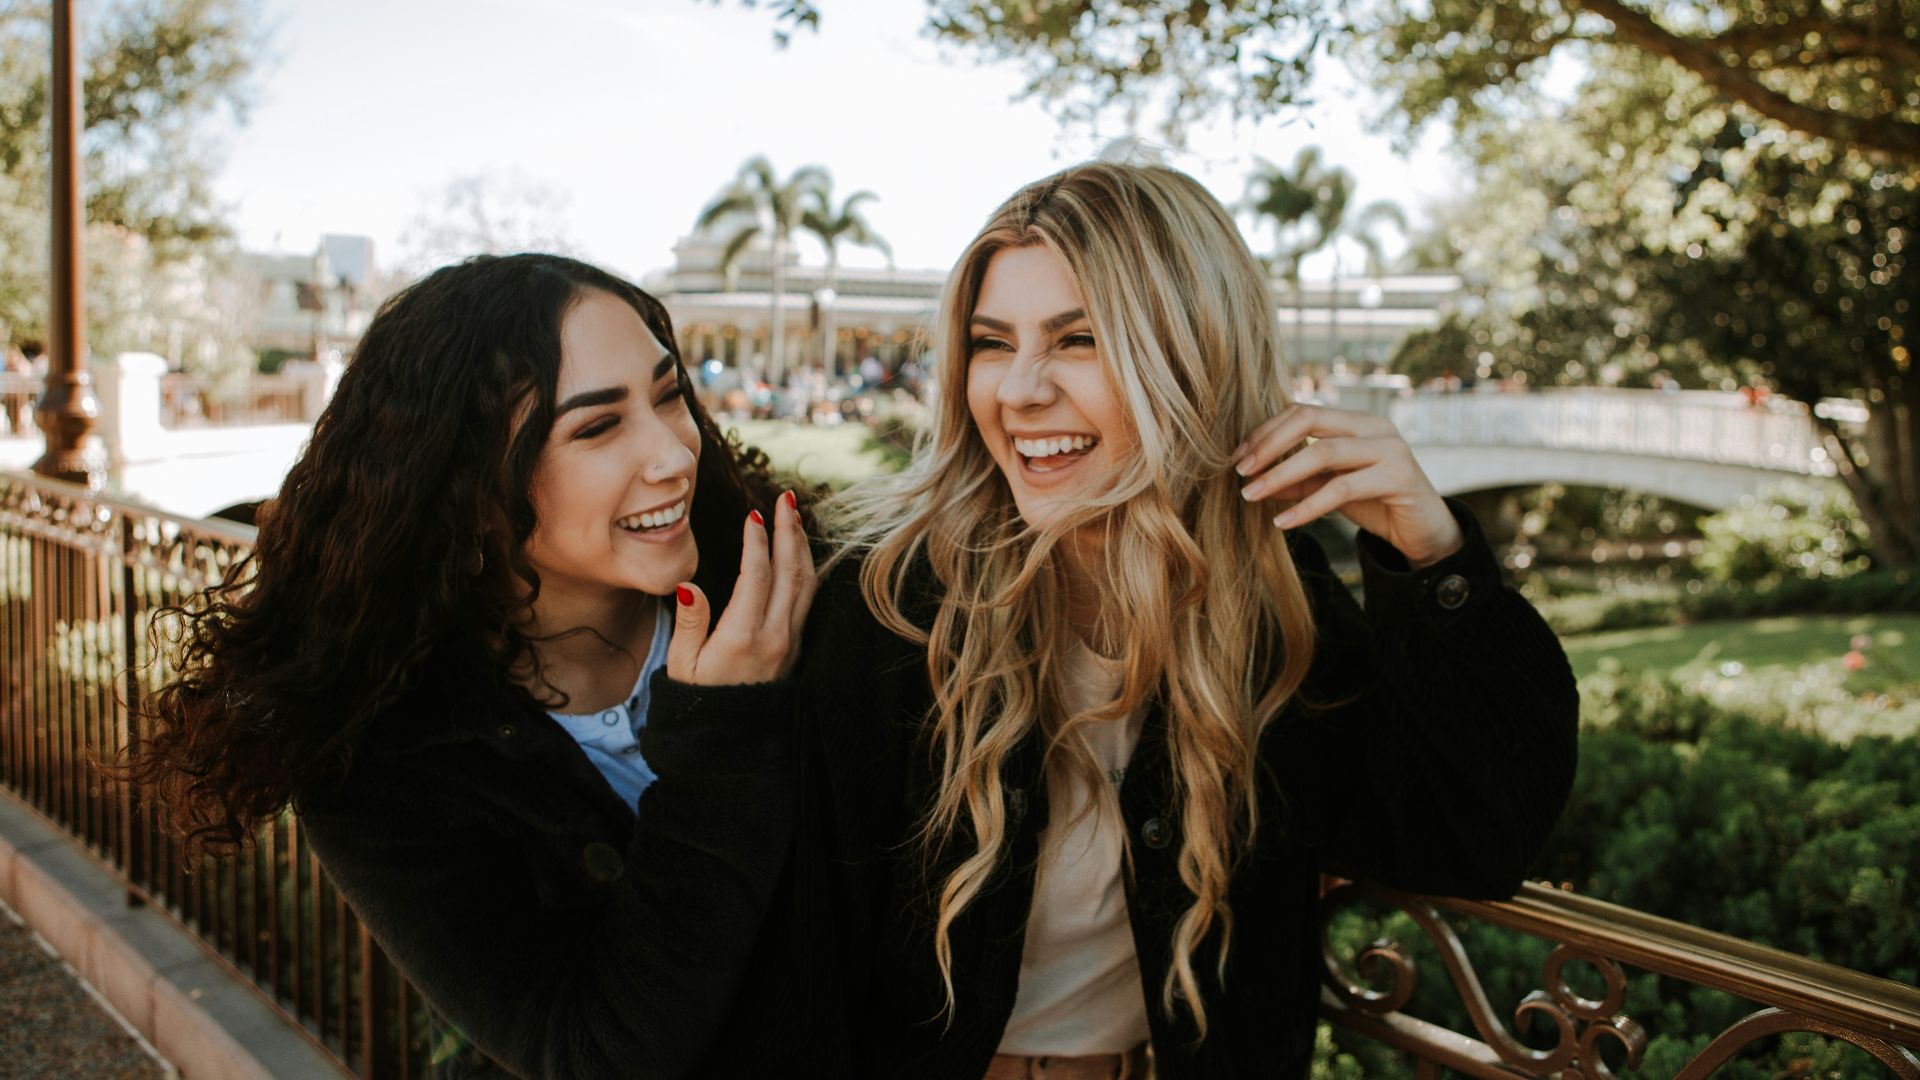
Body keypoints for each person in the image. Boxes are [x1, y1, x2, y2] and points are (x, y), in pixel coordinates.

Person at [788, 163, 1579, 1078]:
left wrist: (1435, 561)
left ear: (1192, 354)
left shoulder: (1277, 608)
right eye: (992, 343)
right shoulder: (890, 608)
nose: (1019, 391)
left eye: (1079, 339)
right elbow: (805, 960)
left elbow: (1473, 839)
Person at [125, 254, 816, 1078]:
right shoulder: (381, 763)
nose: (672, 452)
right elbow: (592, 1051)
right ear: (467, 479)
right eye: (597, 427)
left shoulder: (788, 593)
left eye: (668, 395)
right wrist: (724, 736)